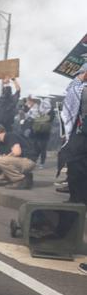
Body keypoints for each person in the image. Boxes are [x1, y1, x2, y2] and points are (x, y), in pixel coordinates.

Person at [59, 63, 87, 205]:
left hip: (82, 136)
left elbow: (71, 89)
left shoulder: (81, 90)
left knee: (76, 166)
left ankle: (77, 200)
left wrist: (82, 76)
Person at [0, 124, 36, 189]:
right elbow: (4, 162)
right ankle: (26, 177)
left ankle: (20, 180)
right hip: (19, 162)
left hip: (28, 161)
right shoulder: (1, 144)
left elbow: (17, 152)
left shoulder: (9, 136)